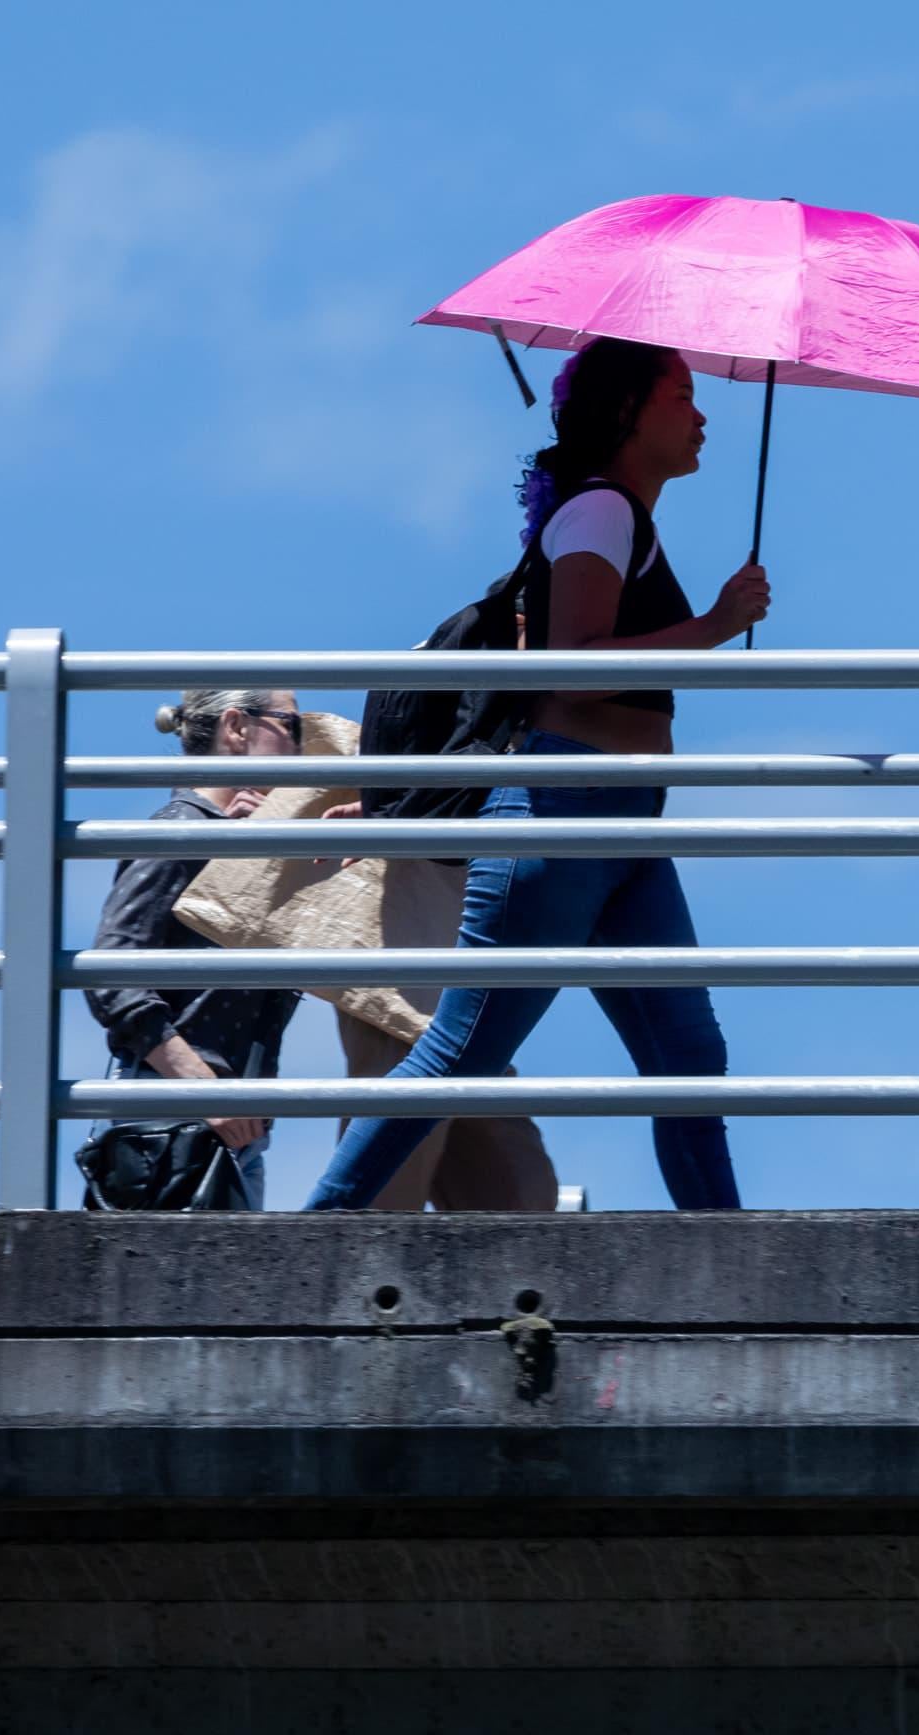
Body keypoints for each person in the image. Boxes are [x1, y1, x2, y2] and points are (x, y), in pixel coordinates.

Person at [308, 337, 769, 1212]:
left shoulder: (619, 516)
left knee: (688, 1058)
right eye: (681, 395)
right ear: (630, 413)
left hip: (619, 819)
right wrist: (712, 624)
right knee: (461, 1051)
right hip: (566, 807)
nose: (702, 415)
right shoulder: (600, 513)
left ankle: (730, 1254)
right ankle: (313, 1241)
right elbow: (575, 666)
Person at [87, 689, 306, 1204]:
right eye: (292, 726)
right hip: (171, 1111)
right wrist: (203, 1088)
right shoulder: (183, 830)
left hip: (223, 1120)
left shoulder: (233, 836)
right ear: (236, 727)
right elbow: (111, 975)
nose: (303, 745)